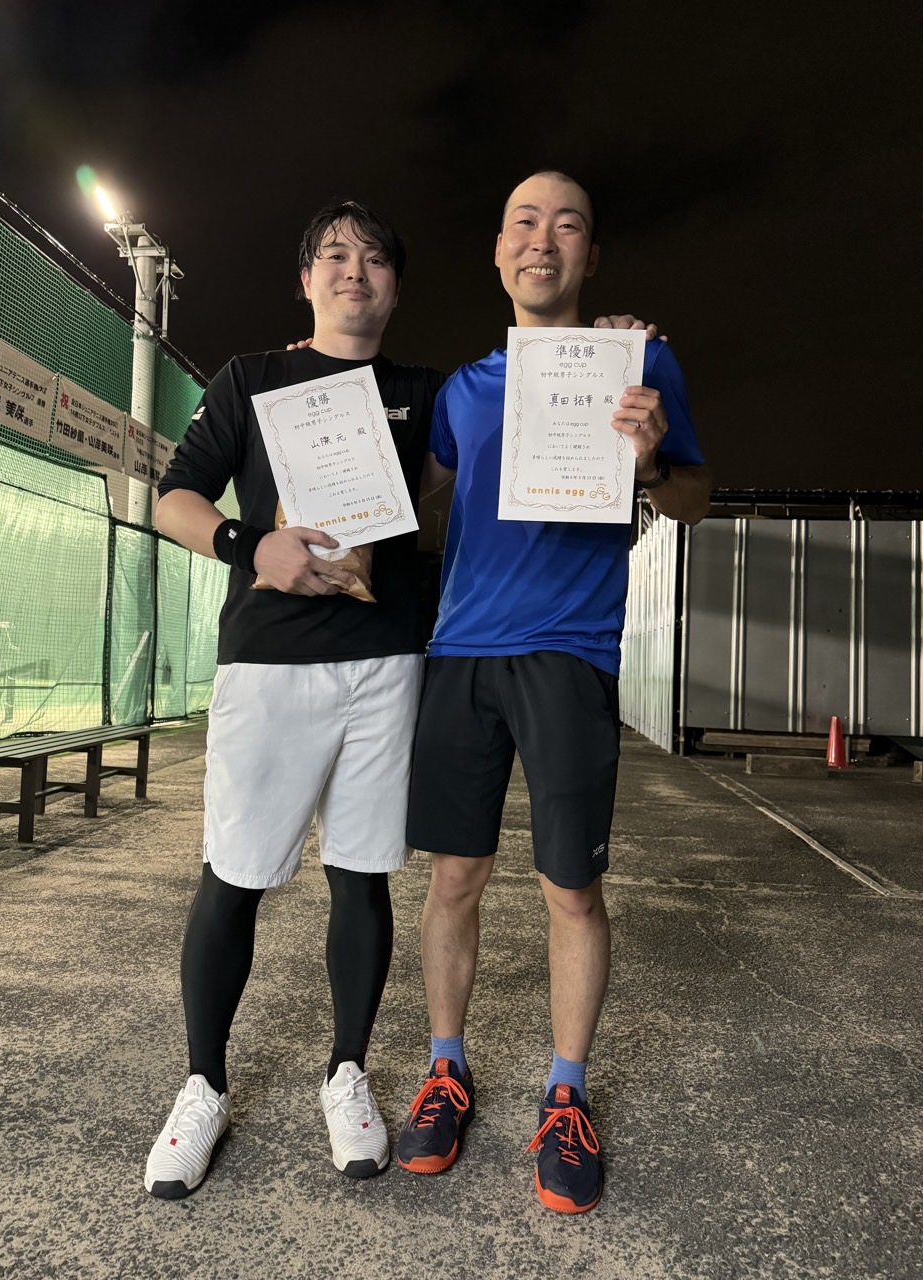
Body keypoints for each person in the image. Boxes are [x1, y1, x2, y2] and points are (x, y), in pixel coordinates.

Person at [396, 171, 711, 1214]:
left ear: (590, 255)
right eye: (524, 223)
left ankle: (565, 1093)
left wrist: (651, 458)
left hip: (570, 653)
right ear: (499, 252)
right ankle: (446, 1069)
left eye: (566, 224)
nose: (544, 240)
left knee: (571, 887)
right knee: (454, 877)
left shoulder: (640, 361)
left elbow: (695, 498)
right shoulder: (462, 389)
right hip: (460, 653)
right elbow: (415, 491)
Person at [143, 200, 445, 1197]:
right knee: (234, 876)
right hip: (269, 663)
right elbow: (174, 497)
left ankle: (347, 1071)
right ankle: (203, 1084)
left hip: (386, 662)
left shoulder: (423, 393)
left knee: (363, 876)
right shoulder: (252, 378)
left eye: (375, 258)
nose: (355, 269)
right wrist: (248, 545)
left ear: (394, 287)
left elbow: (489, 448)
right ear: (307, 280)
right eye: (335, 255)